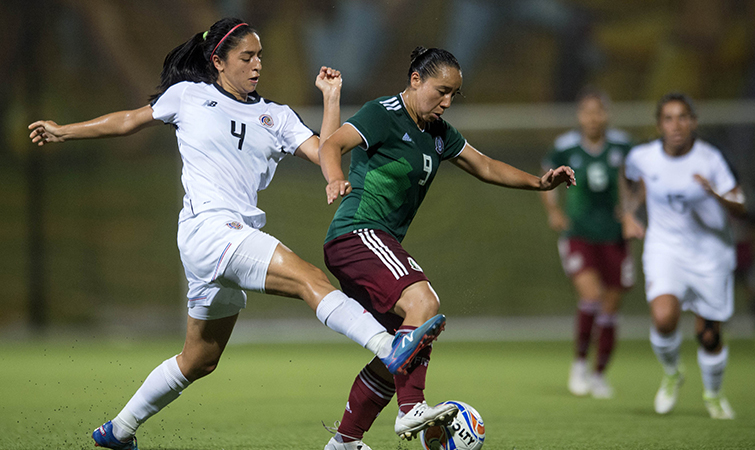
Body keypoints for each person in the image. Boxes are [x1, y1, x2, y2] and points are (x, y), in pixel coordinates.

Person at [27, 18, 446, 450]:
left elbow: (325, 149)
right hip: (208, 229)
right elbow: (129, 120)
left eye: (259, 56)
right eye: (246, 57)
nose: (256, 65)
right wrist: (65, 131)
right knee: (309, 279)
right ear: (218, 61)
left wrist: (331, 98)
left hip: (230, 238)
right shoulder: (189, 95)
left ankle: (118, 430)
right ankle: (387, 346)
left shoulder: (277, 116)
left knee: (200, 359)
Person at [318, 47, 576, 449]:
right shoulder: (383, 112)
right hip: (356, 233)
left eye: (454, 94)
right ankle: (411, 409)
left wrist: (539, 183)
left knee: (397, 355)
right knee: (424, 303)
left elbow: (486, 165)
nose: (447, 102)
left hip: (375, 241)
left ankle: (345, 442)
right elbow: (331, 144)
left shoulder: (439, 134)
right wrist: (334, 178)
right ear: (415, 80)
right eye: (441, 91)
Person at [622, 92, 746, 419]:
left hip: (710, 253)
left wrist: (715, 193)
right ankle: (673, 373)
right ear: (659, 124)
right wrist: (629, 214)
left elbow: (742, 205)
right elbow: (629, 179)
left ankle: (714, 395)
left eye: (682, 117)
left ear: (693, 121)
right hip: (665, 249)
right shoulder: (643, 156)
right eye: (668, 118)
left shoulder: (712, 159)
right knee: (663, 318)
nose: (676, 125)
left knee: (708, 336)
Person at [540, 87, 634, 399]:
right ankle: (579, 364)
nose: (593, 118)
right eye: (587, 112)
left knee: (610, 307)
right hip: (578, 233)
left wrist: (631, 209)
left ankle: (599, 374)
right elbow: (546, 178)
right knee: (591, 296)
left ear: (607, 115)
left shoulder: (622, 145)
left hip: (614, 235)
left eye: (599, 111)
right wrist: (553, 210)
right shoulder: (566, 147)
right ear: (580, 116)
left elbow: (638, 181)